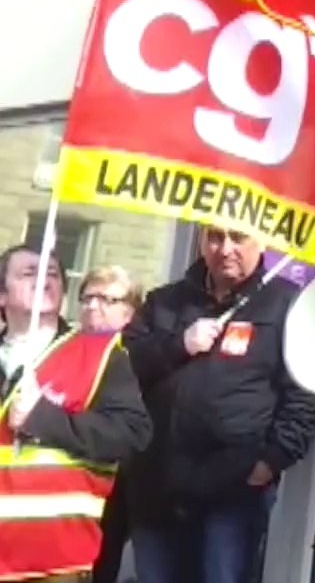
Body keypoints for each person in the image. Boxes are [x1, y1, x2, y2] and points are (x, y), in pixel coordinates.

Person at [123, 227, 315, 583]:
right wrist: (179, 345)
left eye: (239, 238)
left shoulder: (287, 305)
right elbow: (125, 369)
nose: (225, 249)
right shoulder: (164, 301)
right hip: (157, 483)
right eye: (215, 237)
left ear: (262, 241)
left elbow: (306, 392)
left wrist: (272, 459)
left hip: (233, 490)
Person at [0, 245, 151, 582]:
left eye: (53, 274)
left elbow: (131, 435)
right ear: (2, 295)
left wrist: (43, 419)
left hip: (52, 561)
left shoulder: (99, 355)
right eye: (29, 273)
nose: (44, 279)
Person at [82, 266, 145, 583]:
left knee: (103, 562)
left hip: (120, 479)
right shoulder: (67, 347)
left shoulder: (138, 353)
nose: (93, 306)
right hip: (75, 481)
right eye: (88, 298)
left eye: (106, 299)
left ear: (129, 312)